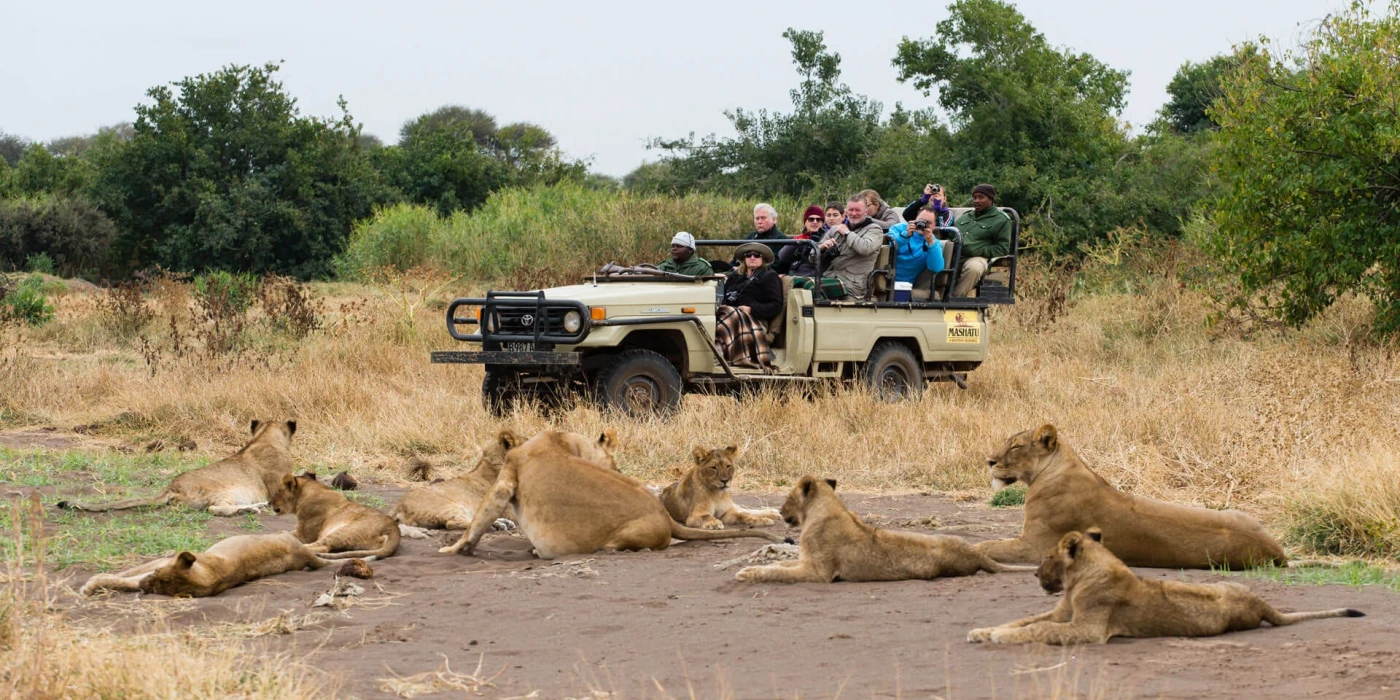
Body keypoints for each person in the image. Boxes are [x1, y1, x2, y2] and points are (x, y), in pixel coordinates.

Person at [793, 194, 884, 300]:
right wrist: (822, 247)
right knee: (790, 282)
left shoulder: (874, 230)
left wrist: (847, 233)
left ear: (866, 212)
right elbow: (812, 258)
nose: (854, 213)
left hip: (853, 285)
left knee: (810, 286)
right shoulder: (836, 229)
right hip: (830, 277)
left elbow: (864, 248)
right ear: (846, 212)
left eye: (858, 210)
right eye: (851, 210)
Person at [716, 242, 783, 371]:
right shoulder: (735, 276)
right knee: (720, 313)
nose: (752, 258)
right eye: (748, 255)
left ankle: (720, 354)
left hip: (755, 320)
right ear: (744, 258)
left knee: (729, 314)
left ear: (762, 258)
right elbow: (724, 298)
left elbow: (776, 305)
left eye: (757, 255)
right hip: (729, 314)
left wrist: (751, 309)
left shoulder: (769, 276)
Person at [952, 183, 1013, 298]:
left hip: (977, 257)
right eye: (974, 197)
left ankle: (955, 299)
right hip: (955, 255)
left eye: (981, 197)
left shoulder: (1001, 220)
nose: (976, 200)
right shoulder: (966, 217)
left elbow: (1002, 249)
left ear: (991, 199)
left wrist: (977, 250)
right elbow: (951, 235)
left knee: (974, 268)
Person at [887, 207, 946, 301]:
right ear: (915, 219)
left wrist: (931, 243)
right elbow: (890, 246)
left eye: (928, 223)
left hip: (905, 284)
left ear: (934, 226)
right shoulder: (898, 228)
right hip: (885, 275)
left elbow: (936, 268)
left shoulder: (934, 242)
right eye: (921, 221)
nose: (923, 225)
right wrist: (906, 235)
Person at [775, 205, 824, 277]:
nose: (815, 222)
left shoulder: (826, 237)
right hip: (794, 273)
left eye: (818, 219)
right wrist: (797, 241)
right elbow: (782, 256)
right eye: (811, 219)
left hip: (813, 277)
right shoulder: (800, 238)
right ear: (805, 222)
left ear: (822, 223)